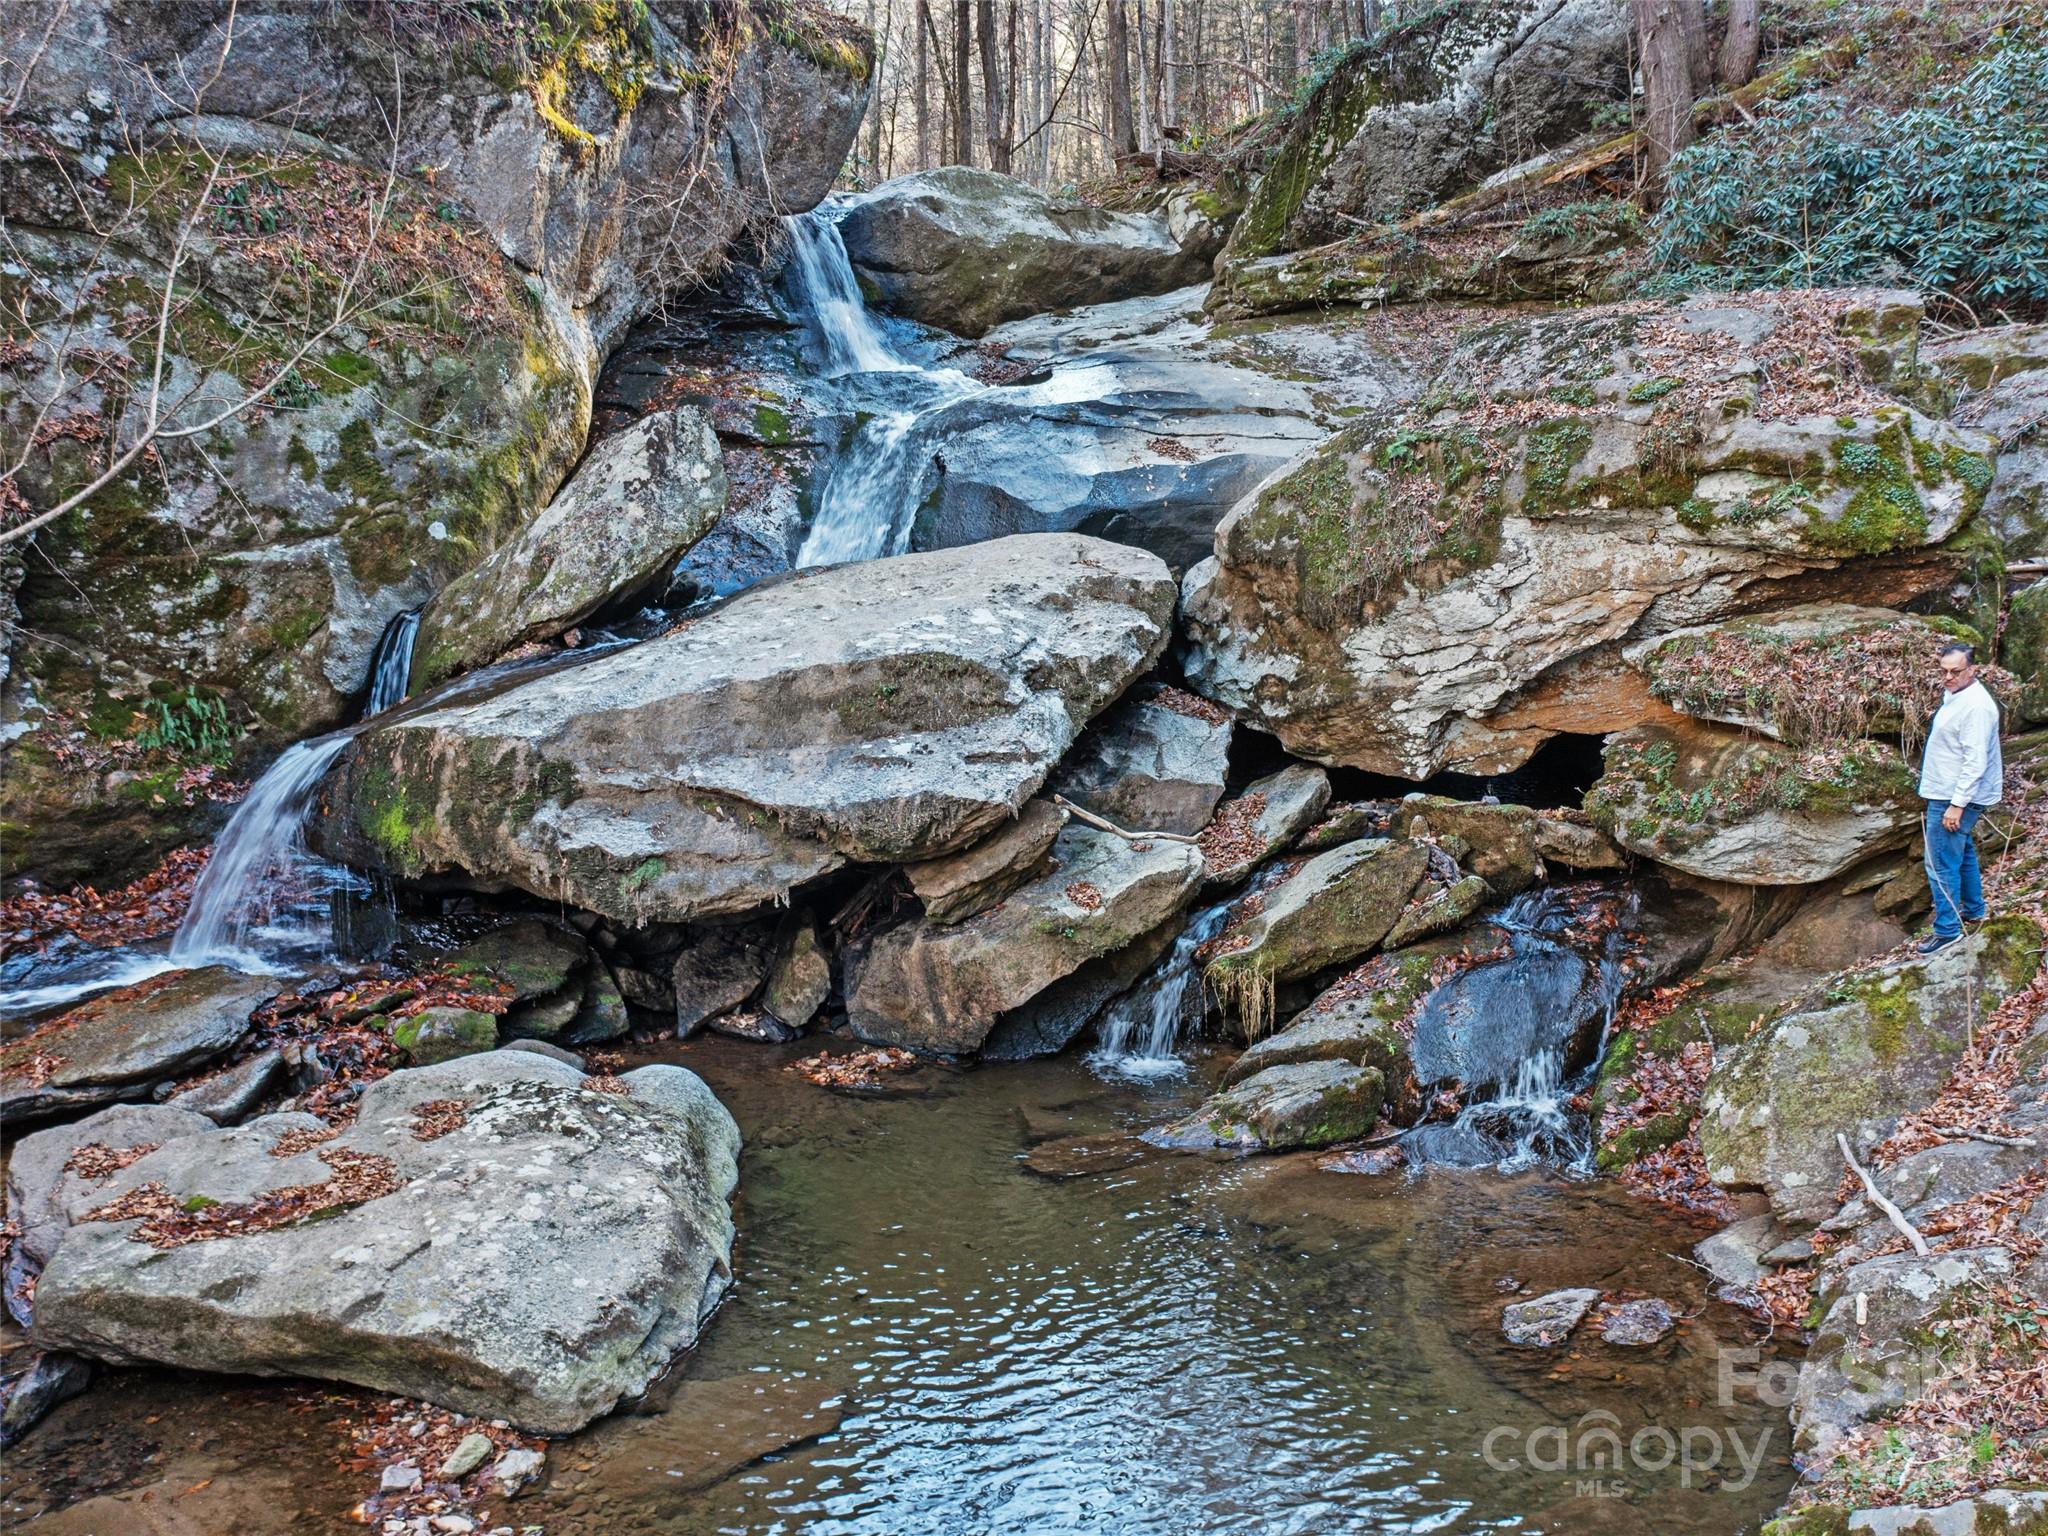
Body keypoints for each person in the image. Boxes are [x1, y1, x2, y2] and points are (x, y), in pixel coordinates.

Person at [1915, 642, 2003, 954]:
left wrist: (1956, 805)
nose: (1948, 677)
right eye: (1944, 671)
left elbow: (1975, 761)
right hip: (1947, 790)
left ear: (1972, 670)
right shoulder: (1957, 693)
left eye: (1956, 671)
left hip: (1954, 796)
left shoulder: (1976, 707)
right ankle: (1974, 910)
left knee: (1939, 864)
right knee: (1961, 852)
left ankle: (1948, 931)